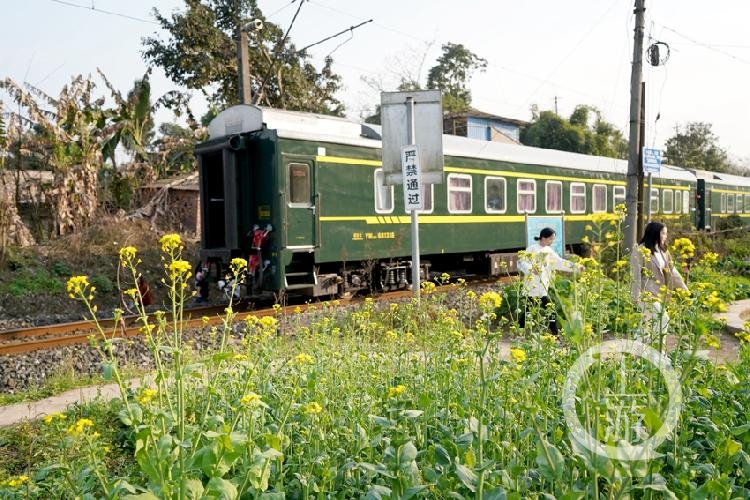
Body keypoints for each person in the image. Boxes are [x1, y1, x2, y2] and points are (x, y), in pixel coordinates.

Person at [517, 227, 583, 335]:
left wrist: (575, 267)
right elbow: (521, 262)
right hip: (532, 287)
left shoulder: (548, 251)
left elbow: (559, 262)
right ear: (543, 238)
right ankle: (553, 334)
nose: (552, 241)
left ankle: (553, 334)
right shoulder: (532, 249)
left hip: (542, 287)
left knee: (539, 311)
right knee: (532, 311)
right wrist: (531, 269)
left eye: (553, 239)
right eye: (550, 239)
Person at [630, 221, 688, 340]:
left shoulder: (663, 251)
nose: (666, 236)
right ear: (655, 233)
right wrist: (635, 296)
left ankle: (636, 353)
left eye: (666, 233)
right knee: (663, 318)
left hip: (660, 294)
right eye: (663, 233)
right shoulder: (640, 250)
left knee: (646, 325)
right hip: (646, 294)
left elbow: (673, 271)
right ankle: (658, 351)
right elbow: (635, 274)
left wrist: (685, 291)